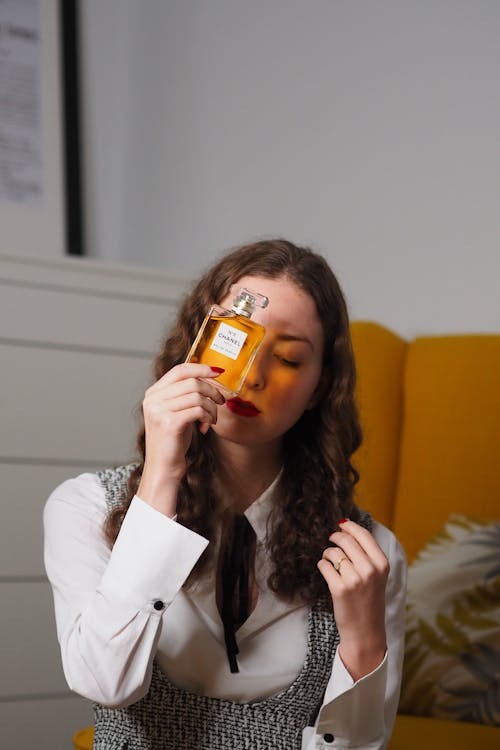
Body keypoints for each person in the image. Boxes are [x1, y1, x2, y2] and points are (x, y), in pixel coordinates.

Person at [44, 238, 407, 750]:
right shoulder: (84, 507)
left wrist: (365, 643)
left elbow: (361, 745)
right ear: (195, 346)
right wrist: (161, 475)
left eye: (287, 358)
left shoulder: (370, 554)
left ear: (320, 387)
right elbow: (106, 684)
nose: (252, 376)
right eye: (237, 342)